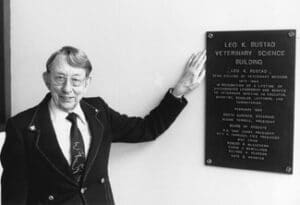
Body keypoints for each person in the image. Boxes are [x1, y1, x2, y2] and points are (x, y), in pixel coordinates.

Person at [1, 46, 206, 205]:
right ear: (47, 80)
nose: (67, 89)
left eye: (76, 80)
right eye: (59, 79)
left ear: (88, 82)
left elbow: (146, 129)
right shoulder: (21, 127)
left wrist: (178, 92)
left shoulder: (99, 112)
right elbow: (14, 196)